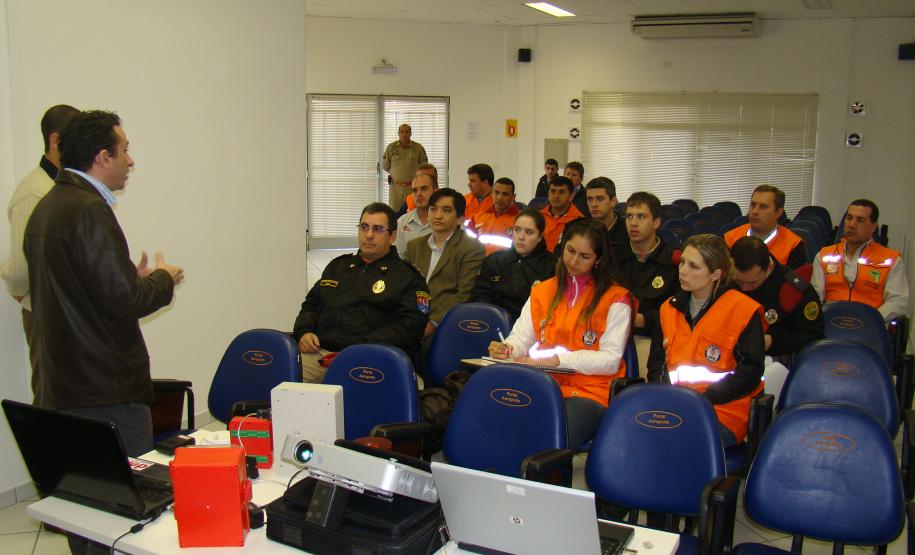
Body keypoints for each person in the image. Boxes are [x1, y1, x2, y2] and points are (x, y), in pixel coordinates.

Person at [25, 110, 184, 455]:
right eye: (125, 150)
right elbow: (127, 300)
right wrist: (163, 279)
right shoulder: (88, 210)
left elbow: (81, 289)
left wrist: (129, 277)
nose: (131, 160)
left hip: (64, 385)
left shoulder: (48, 207)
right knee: (130, 494)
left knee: (85, 496)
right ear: (102, 157)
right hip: (106, 391)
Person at [488, 219, 632, 447]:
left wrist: (556, 360)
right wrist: (508, 348)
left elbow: (610, 360)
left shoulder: (616, 298)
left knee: (550, 438)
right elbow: (520, 337)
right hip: (543, 384)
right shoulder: (542, 290)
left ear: (599, 260)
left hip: (590, 392)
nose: (573, 261)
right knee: (497, 424)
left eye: (584, 256)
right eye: (570, 251)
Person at [647, 234, 766, 446]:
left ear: (715, 274)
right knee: (639, 434)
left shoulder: (743, 310)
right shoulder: (668, 308)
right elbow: (656, 365)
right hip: (674, 405)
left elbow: (750, 372)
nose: (683, 270)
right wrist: (666, 396)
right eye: (682, 262)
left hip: (723, 409)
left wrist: (704, 398)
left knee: (676, 443)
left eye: (694, 266)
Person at [293, 202, 430, 382]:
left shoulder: (408, 278)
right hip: (321, 355)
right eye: (364, 227)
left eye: (378, 229)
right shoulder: (338, 267)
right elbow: (311, 305)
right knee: (280, 379)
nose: (369, 235)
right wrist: (304, 331)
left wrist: (358, 348)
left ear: (392, 236)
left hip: (372, 358)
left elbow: (410, 328)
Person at [1, 104, 79, 397]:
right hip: (48, 316)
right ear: (56, 140)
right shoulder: (35, 191)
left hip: (68, 314)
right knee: (52, 399)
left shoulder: (64, 187)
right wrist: (30, 298)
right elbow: (21, 271)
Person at [811, 199, 908, 322]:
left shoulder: (891, 259)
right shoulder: (824, 255)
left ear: (873, 227)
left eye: (860, 220)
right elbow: (815, 296)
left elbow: (898, 302)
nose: (852, 225)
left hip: (871, 327)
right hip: (831, 323)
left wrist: (870, 320)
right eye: (849, 218)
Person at [404, 188, 484, 336]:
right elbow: (402, 286)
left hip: (444, 322)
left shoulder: (471, 248)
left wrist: (433, 321)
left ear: (460, 218)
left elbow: (463, 295)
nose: (438, 216)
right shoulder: (414, 246)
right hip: (409, 317)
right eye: (433, 209)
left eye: (446, 211)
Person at [731, 236, 823, 358]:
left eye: (752, 283)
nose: (744, 289)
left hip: (773, 359)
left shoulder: (794, 290)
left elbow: (812, 336)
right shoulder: (726, 279)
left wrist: (772, 341)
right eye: (739, 282)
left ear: (769, 267)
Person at [471, 208, 556, 321]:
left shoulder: (551, 266)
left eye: (529, 232)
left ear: (540, 237)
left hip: (532, 327)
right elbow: (480, 295)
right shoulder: (495, 260)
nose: (521, 237)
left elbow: (550, 307)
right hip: (493, 323)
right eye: (517, 230)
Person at [615, 192, 680, 338]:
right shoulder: (614, 256)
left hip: (654, 336)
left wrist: (645, 320)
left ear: (656, 222)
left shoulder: (673, 262)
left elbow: (680, 309)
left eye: (641, 216)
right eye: (629, 216)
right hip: (613, 333)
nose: (633, 223)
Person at [723, 184, 806, 269]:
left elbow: (794, 280)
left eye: (763, 207)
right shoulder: (730, 239)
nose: (755, 211)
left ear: (778, 212)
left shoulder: (793, 245)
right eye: (753, 205)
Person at [468, 177, 520, 256]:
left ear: (513, 197)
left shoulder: (520, 221)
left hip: (506, 265)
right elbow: (468, 244)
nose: (499, 198)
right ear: (492, 193)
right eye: (496, 192)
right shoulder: (477, 217)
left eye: (505, 194)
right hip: (479, 263)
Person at [382, 123, 427, 213]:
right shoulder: (391, 148)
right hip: (395, 187)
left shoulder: (418, 148)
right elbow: (385, 165)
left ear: (410, 133)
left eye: (407, 132)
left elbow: (424, 167)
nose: (404, 134)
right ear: (398, 133)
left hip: (412, 187)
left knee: (413, 211)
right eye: (402, 132)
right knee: (394, 213)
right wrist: (394, 173)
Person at [394, 172, 438, 256]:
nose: (418, 194)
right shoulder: (402, 222)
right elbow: (398, 256)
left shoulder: (446, 221)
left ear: (435, 192)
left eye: (424, 189)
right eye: (414, 190)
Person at [585, 176, 627, 261]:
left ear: (613, 201)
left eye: (600, 199)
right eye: (590, 199)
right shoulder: (582, 229)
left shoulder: (628, 232)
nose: (594, 204)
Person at [540, 176, 584, 252]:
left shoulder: (579, 221)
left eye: (561, 192)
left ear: (571, 196)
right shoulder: (538, 216)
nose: (556, 196)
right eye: (553, 191)